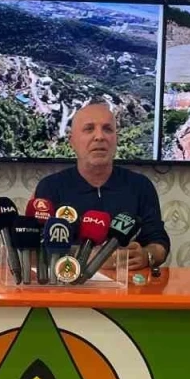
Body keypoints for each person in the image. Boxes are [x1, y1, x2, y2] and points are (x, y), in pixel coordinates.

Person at [33, 102, 170, 272]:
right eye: (89, 129)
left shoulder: (140, 186)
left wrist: (147, 255)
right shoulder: (50, 187)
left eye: (107, 129)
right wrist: (93, 257)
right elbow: (38, 247)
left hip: (127, 284)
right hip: (69, 282)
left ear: (116, 139)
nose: (99, 136)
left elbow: (159, 242)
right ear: (72, 141)